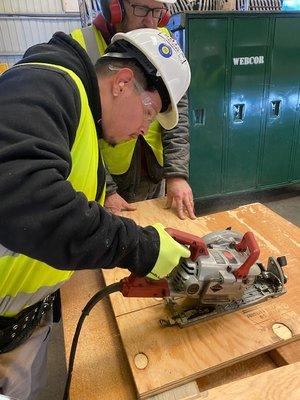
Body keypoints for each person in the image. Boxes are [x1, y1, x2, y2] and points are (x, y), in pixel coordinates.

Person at [0, 28, 191, 399]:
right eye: (148, 113)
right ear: (122, 83)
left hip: (21, 321)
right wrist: (141, 248)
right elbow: (23, 194)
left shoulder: (84, 113)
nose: (143, 129)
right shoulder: (43, 83)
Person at [71, 0, 196, 220]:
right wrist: (106, 189)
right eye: (141, 9)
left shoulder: (162, 39)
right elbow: (82, 131)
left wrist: (177, 174)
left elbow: (178, 110)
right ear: (114, 6)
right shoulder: (84, 44)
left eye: (158, 12)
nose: (150, 22)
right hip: (111, 177)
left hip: (153, 169)